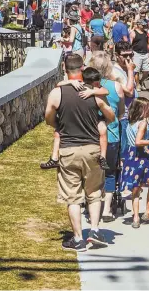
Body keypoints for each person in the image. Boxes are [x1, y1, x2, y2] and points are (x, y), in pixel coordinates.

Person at [45, 65, 116, 251]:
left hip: (69, 149)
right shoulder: (93, 93)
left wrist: (60, 125)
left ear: (65, 69)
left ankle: (78, 238)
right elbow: (111, 115)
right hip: (92, 148)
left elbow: (48, 118)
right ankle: (94, 231)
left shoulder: (58, 93)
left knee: (73, 197)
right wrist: (100, 119)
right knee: (94, 193)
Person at [87, 52, 125, 222]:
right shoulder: (116, 87)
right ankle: (107, 210)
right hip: (112, 134)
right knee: (110, 172)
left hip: (90, 134)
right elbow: (122, 111)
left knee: (92, 173)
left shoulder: (86, 87)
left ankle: (91, 206)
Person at [121, 97, 149, 228]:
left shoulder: (130, 122)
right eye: (148, 108)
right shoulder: (143, 123)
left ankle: (135, 217)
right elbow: (138, 141)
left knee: (136, 187)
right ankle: (148, 211)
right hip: (141, 156)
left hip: (130, 155)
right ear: (142, 109)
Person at [130, 20, 149, 91]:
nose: (144, 26)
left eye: (144, 25)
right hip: (136, 53)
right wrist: (130, 54)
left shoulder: (145, 33)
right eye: (142, 25)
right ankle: (137, 85)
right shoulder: (133, 33)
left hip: (145, 53)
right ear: (138, 25)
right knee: (136, 70)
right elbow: (130, 44)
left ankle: (141, 81)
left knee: (147, 70)